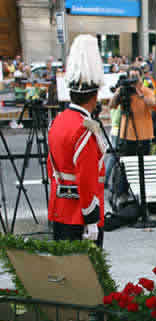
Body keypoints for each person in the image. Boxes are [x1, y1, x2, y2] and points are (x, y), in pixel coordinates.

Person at [47, 34, 106, 246]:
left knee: (64, 274)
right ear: (95, 95)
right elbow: (87, 178)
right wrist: (91, 219)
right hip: (80, 215)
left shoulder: (58, 121)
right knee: (86, 276)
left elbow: (51, 167)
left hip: (59, 210)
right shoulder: (84, 129)